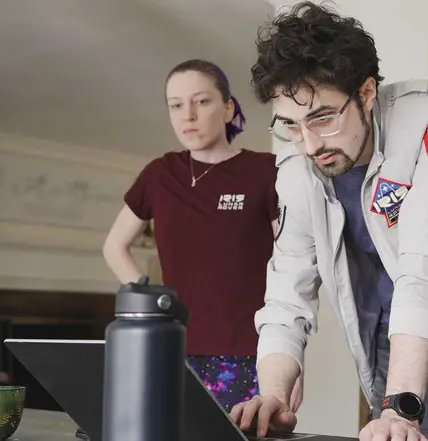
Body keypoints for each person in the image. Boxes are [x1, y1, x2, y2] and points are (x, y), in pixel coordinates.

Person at [229, 3, 428, 441]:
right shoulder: (296, 160)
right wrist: (274, 395)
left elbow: (424, 271)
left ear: (367, 93)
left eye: (323, 118)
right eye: (291, 125)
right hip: (394, 343)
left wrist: (399, 409)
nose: (309, 143)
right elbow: (287, 291)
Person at [102, 59, 303, 413]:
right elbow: (114, 247)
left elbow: (292, 266)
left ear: (227, 109)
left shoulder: (265, 172)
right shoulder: (159, 175)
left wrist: (290, 356)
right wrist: (156, 304)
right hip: (170, 351)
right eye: (176, 105)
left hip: (251, 356)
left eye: (201, 101)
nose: (188, 115)